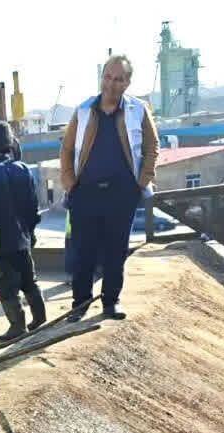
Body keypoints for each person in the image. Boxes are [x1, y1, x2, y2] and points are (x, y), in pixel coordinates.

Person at [59, 55, 159, 322]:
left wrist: (141, 181)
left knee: (116, 251)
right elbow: (67, 149)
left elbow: (152, 146)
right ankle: (80, 305)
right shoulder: (83, 111)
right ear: (101, 77)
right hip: (86, 193)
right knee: (84, 252)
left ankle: (111, 302)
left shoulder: (138, 110)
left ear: (127, 83)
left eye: (118, 79)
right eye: (107, 77)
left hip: (122, 193)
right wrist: (70, 183)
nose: (111, 84)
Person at [0, 121, 46, 343]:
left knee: (5, 286)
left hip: (1, 244)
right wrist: (30, 233)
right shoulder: (23, 169)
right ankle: (40, 317)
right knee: (29, 279)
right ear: (10, 144)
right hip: (23, 239)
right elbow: (33, 207)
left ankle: (18, 326)